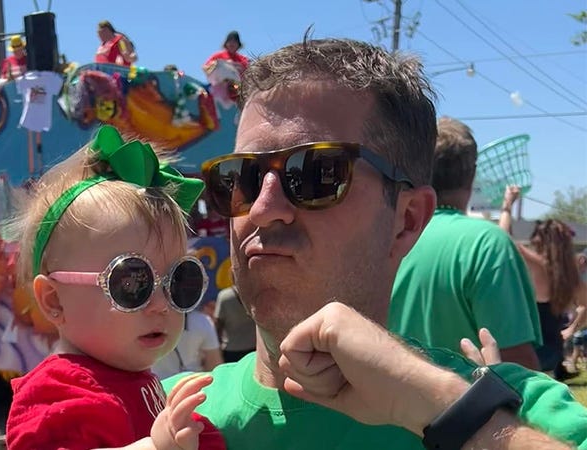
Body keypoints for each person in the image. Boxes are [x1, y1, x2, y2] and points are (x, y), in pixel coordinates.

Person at [164, 37, 587, 449]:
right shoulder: (155, 414)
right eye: (242, 177)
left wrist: (445, 408)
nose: (262, 208)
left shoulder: (522, 414)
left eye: (315, 173)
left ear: (407, 220)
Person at [5, 125, 224, 449]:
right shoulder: (55, 392)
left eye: (180, 281)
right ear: (54, 301)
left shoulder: (142, 383)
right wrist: (155, 447)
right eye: (132, 282)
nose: (162, 304)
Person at [388, 117, 541, 369]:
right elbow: (516, 363)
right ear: (471, 175)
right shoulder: (487, 244)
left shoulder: (388, 238)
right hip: (467, 394)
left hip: (388, 392)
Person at [500, 190, 587, 380]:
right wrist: (571, 330)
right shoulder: (571, 278)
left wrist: (507, 206)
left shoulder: (537, 265)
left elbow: (503, 239)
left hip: (528, 348)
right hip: (553, 351)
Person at [152, 310, 223, 379]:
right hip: (192, 382)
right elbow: (214, 364)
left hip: (157, 382)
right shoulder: (203, 321)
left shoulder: (150, 320)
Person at [214, 285, 255, 363]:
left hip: (231, 350)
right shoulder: (254, 293)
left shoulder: (224, 296)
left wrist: (217, 348)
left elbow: (218, 324)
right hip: (253, 348)